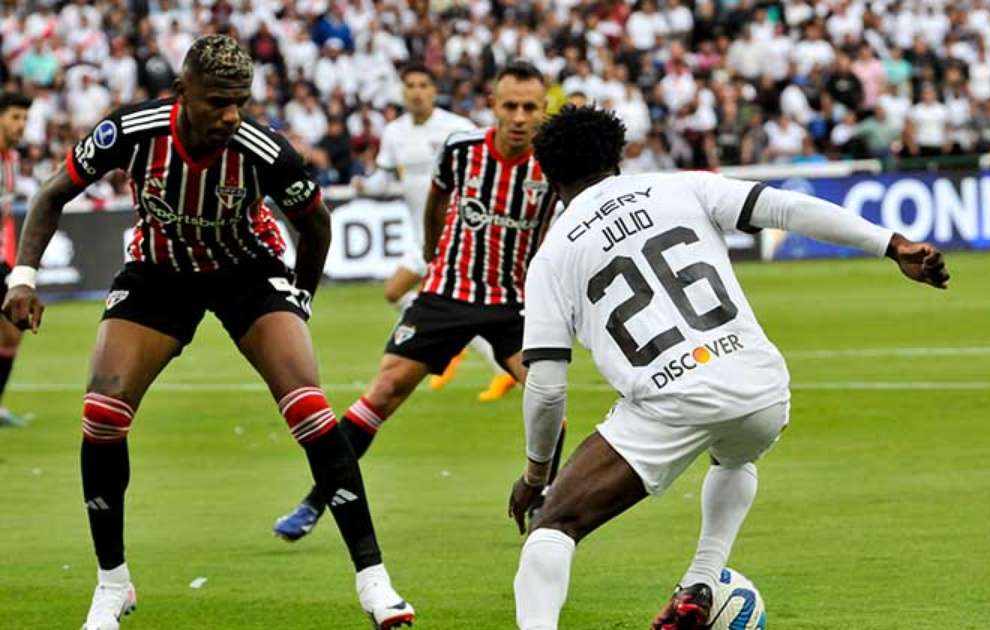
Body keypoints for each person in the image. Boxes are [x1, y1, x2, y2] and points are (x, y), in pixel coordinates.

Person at [0, 36, 414, 630]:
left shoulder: (263, 149)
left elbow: (316, 223)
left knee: (311, 412)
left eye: (239, 102)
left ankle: (375, 582)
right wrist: (23, 277)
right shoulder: (132, 131)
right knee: (102, 414)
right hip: (161, 273)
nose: (230, 115)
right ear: (182, 94)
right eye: (217, 102)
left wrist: (299, 297)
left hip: (248, 270)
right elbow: (52, 195)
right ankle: (112, 584)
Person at [507, 106, 950, 630]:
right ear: (619, 153)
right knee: (736, 458)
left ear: (547, 175)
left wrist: (537, 474)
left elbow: (547, 386)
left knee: (554, 527)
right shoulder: (682, 187)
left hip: (668, 399)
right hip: (761, 386)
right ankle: (701, 579)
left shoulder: (551, 257)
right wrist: (891, 244)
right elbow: (786, 207)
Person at [273, 61, 567, 542]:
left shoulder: (553, 163)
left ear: (542, 110)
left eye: (529, 107)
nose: (518, 116)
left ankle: (546, 500)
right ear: (492, 106)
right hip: (446, 294)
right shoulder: (462, 150)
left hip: (514, 303)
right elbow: (435, 201)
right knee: (383, 391)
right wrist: (433, 253)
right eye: (509, 105)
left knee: (548, 400)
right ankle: (315, 500)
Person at [360, 64, 517, 402]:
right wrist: (364, 182)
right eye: (411, 85)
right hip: (422, 236)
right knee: (397, 293)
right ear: (402, 92)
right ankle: (464, 351)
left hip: (456, 237)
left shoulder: (456, 129)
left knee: (408, 292)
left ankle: (464, 353)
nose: (417, 91)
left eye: (423, 85)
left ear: (434, 90)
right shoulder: (394, 133)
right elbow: (384, 178)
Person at [0, 91, 31, 428]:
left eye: (24, 119)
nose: (21, 125)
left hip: (1, 261)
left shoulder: (9, 159)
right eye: (15, 117)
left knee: (13, 331)